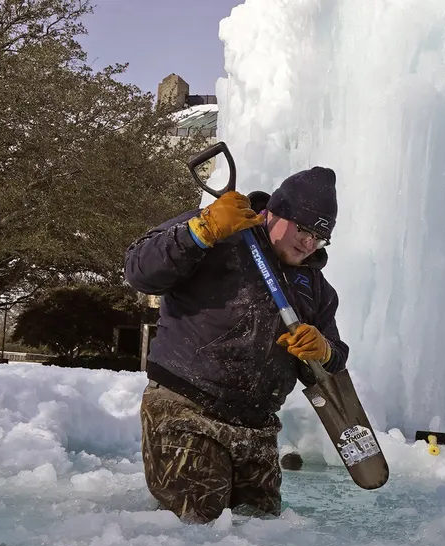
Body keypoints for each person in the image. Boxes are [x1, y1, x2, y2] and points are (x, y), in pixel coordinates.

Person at [123, 167, 349, 523]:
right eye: (303, 228)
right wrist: (199, 233)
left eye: (319, 237)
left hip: (257, 428)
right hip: (187, 410)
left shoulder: (317, 289)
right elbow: (138, 271)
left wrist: (323, 351)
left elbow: (332, 363)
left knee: (260, 539)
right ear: (274, 211)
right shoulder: (220, 228)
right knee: (195, 531)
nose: (308, 243)